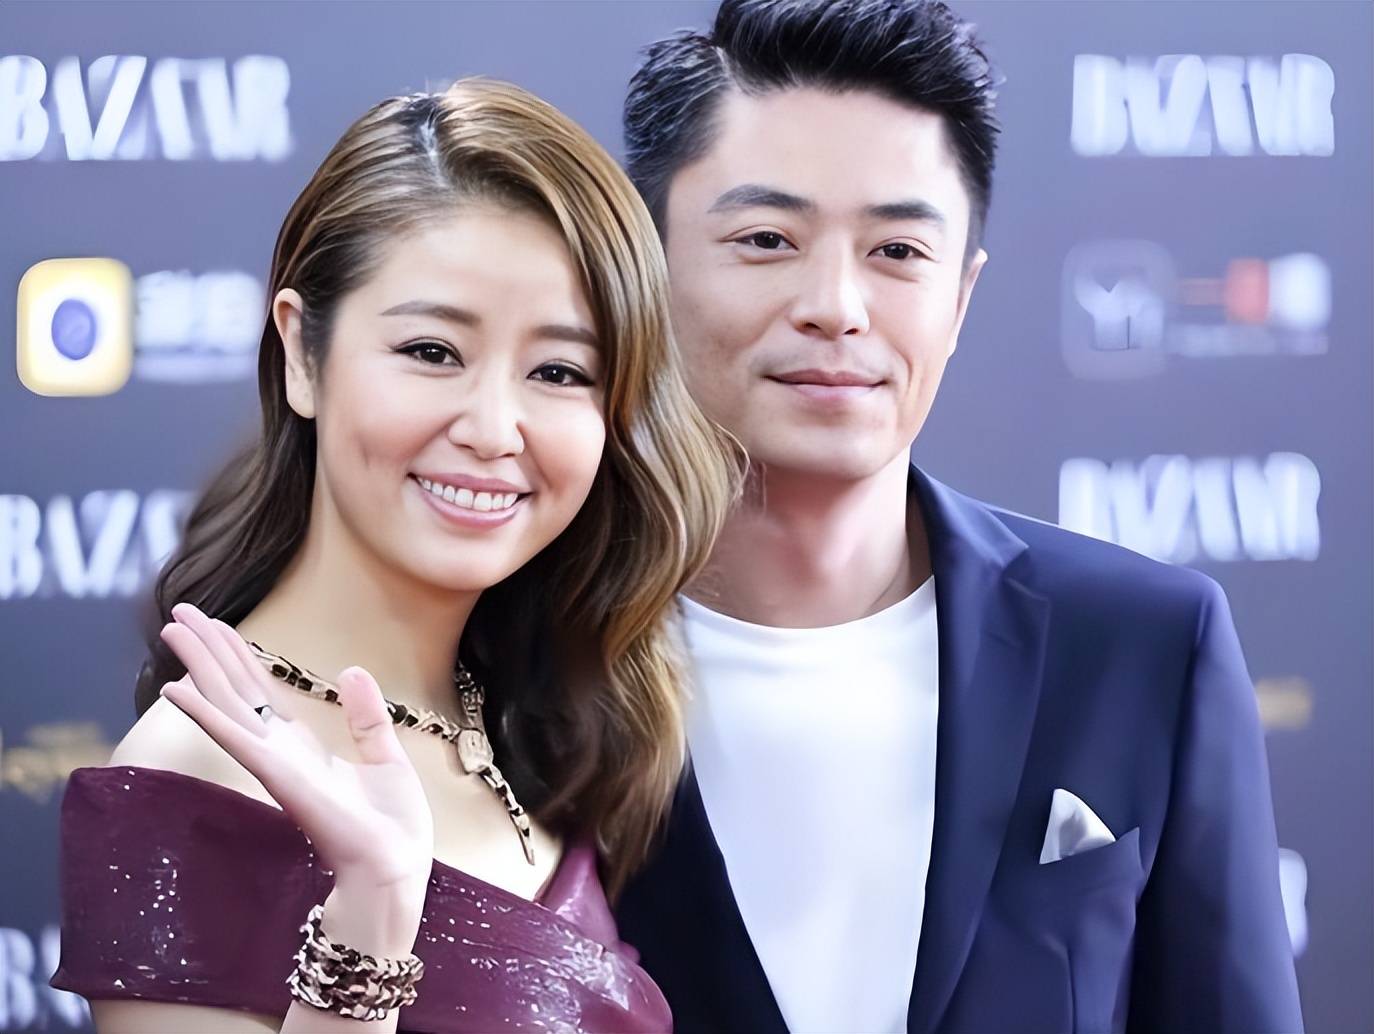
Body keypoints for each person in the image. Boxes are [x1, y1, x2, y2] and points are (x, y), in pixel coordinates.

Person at [613, 2, 1305, 1032]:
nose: (836, 305)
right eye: (766, 239)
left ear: (962, 297)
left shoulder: (1143, 645)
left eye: (897, 250)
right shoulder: (526, 649)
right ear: (647, 266)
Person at [51, 78, 737, 1033]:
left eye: (558, 371)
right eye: (432, 351)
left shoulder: (531, 712)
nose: (494, 429)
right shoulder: (194, 774)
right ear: (302, 353)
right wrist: (369, 923)